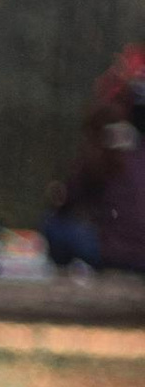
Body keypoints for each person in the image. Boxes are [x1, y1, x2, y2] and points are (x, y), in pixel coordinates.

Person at [44, 49, 145, 272]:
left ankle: (63, 279)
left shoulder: (104, 146)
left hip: (116, 252)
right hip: (133, 253)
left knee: (53, 226)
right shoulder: (134, 147)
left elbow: (67, 200)